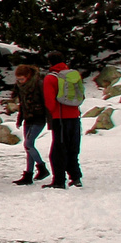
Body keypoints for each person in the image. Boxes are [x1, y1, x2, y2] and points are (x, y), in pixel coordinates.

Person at [43, 51, 84, 188]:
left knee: (58, 150)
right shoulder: (73, 75)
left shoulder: (50, 78)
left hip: (60, 117)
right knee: (73, 148)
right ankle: (76, 177)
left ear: (50, 62)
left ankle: (59, 180)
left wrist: (52, 112)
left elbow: (50, 102)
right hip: (75, 115)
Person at [12, 64, 50, 185]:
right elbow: (22, 103)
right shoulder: (20, 87)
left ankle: (42, 167)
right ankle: (28, 174)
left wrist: (49, 118)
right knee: (29, 146)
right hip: (28, 118)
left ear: (28, 76)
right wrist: (20, 118)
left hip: (39, 118)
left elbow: (46, 101)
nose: (19, 81)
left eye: (22, 79)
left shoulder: (39, 84)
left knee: (28, 143)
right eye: (18, 79)